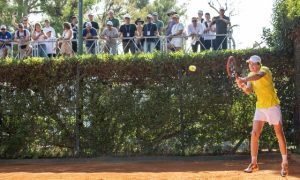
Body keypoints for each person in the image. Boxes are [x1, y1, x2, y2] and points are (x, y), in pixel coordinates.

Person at [236, 55, 288, 177]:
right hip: (260, 107)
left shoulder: (265, 70)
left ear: (259, 64)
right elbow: (249, 91)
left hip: (272, 106)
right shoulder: (249, 75)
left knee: (279, 133)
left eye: (253, 64)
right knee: (254, 133)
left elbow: (258, 76)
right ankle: (254, 163)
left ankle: (284, 162)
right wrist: (242, 85)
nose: (251, 66)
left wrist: (243, 79)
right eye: (249, 64)